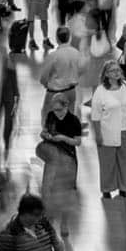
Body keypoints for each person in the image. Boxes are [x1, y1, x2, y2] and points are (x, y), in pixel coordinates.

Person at [91, 60, 126, 198]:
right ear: (106, 74)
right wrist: (98, 134)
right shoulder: (100, 91)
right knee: (107, 162)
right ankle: (107, 188)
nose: (117, 73)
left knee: (124, 161)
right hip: (108, 132)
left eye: (118, 70)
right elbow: (95, 115)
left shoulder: (125, 86)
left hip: (125, 130)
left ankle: (123, 187)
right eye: (113, 71)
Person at [37, 93, 81, 238]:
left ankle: (64, 223)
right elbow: (45, 131)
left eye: (59, 110)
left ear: (66, 106)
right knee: (48, 189)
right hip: (52, 155)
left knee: (66, 193)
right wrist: (45, 135)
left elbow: (77, 142)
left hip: (68, 157)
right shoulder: (51, 116)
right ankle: (48, 219)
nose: (56, 113)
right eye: (54, 110)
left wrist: (62, 138)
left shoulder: (74, 121)